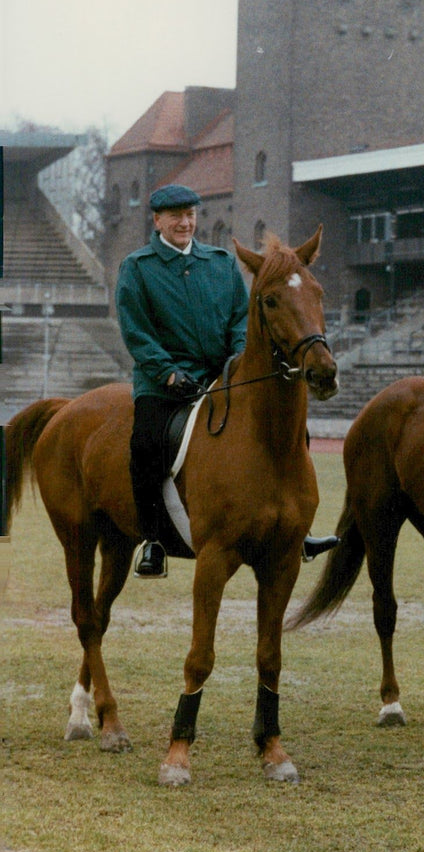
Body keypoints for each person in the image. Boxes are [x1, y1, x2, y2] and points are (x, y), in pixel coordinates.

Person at [115, 184, 250, 577]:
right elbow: (136, 332)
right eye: (175, 216)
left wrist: (237, 361)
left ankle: (297, 530)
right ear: (157, 220)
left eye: (190, 214)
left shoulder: (222, 263)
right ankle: (153, 540)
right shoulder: (137, 267)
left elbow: (241, 318)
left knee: (285, 429)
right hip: (163, 384)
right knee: (145, 445)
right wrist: (169, 373)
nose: (184, 223)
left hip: (222, 378)